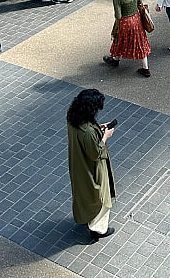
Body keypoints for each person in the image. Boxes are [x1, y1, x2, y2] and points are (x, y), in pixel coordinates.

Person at [66, 89, 117, 243]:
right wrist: (105, 137)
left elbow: (86, 135)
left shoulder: (72, 118)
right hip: (92, 168)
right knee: (101, 196)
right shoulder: (87, 131)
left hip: (78, 165)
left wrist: (98, 129)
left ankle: (85, 217)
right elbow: (95, 153)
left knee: (83, 194)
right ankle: (98, 228)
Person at [103, 0, 151, 77]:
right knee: (140, 42)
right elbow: (140, 2)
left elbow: (118, 15)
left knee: (119, 40)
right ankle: (145, 68)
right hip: (136, 18)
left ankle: (115, 59)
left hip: (125, 22)